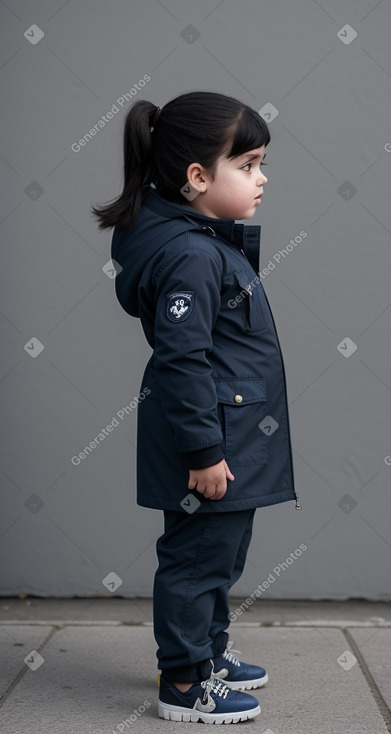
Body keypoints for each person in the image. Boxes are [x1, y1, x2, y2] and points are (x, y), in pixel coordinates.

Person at [91, 90, 301, 725]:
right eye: (249, 164)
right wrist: (204, 452)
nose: (261, 178)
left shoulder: (202, 240)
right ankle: (183, 686)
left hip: (231, 433)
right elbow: (184, 363)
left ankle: (205, 653)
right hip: (211, 441)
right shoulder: (190, 254)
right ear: (197, 177)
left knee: (220, 554)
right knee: (194, 561)